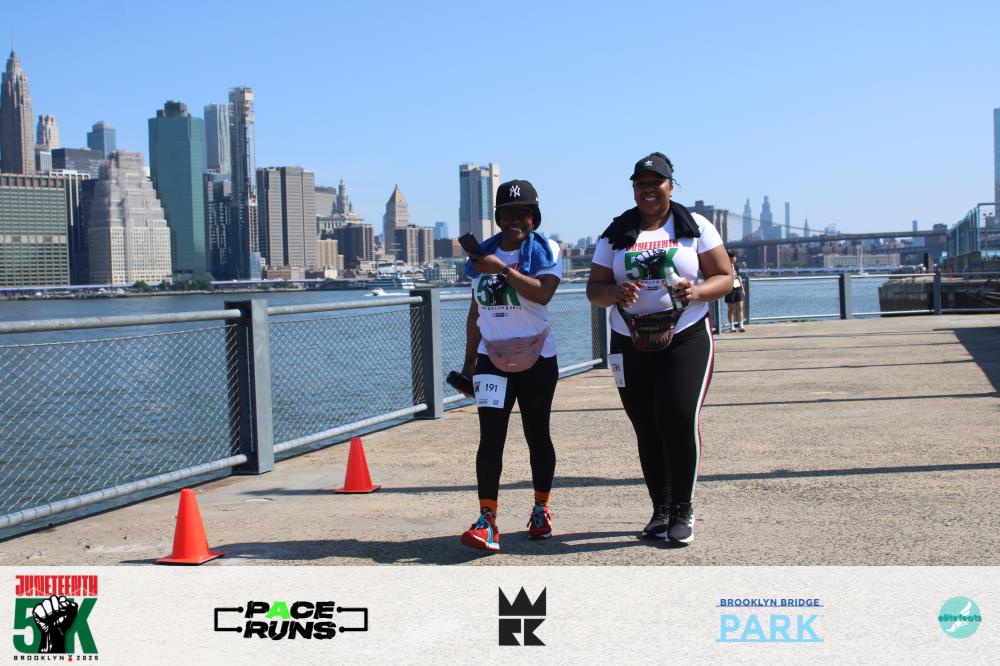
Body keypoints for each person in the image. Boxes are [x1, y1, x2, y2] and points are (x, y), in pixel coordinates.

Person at [586, 152, 732, 545]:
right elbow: (594, 290)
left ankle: (683, 509)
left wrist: (696, 291)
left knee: (678, 417)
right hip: (628, 338)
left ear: (671, 185)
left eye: (657, 183)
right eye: (641, 184)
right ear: (634, 189)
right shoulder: (616, 232)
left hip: (685, 334)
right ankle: (661, 510)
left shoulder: (694, 226)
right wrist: (615, 292)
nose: (649, 190)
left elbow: (725, 277)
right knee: (646, 425)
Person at [459, 179, 563, 552]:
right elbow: (476, 314)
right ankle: (487, 519)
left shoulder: (547, 249)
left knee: (537, 435)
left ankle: (541, 508)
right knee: (490, 438)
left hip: (538, 357)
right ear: (498, 217)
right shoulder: (480, 258)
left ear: (534, 217)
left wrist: (501, 269)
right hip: (492, 360)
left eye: (523, 212)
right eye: (508, 213)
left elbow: (543, 292)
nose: (515, 219)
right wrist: (469, 364)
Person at [725, 250, 747, 332]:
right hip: (729, 289)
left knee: (740, 307)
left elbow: (739, 277)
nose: (735, 258)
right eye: (734, 257)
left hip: (737, 288)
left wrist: (742, 289)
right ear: (730, 258)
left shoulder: (736, 266)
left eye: (735, 257)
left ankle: (741, 325)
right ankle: (732, 326)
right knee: (731, 309)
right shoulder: (725, 267)